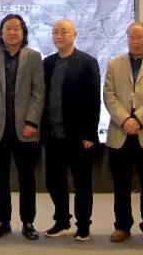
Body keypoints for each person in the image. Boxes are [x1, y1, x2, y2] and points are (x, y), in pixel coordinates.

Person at [0, 14, 44, 241]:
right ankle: (3, 221)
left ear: (23, 33)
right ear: (1, 32)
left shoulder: (34, 57)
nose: (12, 32)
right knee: (0, 178)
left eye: (17, 28)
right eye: (8, 28)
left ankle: (28, 222)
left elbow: (38, 92)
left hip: (26, 129)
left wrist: (32, 121)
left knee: (27, 178)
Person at [103, 21, 143, 244]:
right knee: (121, 184)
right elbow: (108, 95)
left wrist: (138, 120)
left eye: (140, 37)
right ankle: (122, 226)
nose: (135, 41)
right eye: (131, 37)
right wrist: (125, 119)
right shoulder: (114, 64)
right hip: (119, 132)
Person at [41, 19, 100, 242]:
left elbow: (94, 100)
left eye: (64, 32)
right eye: (55, 32)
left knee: (82, 183)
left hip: (78, 136)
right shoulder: (47, 63)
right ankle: (62, 221)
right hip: (53, 135)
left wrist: (90, 133)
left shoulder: (87, 62)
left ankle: (83, 225)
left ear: (74, 35)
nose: (59, 35)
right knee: (54, 182)